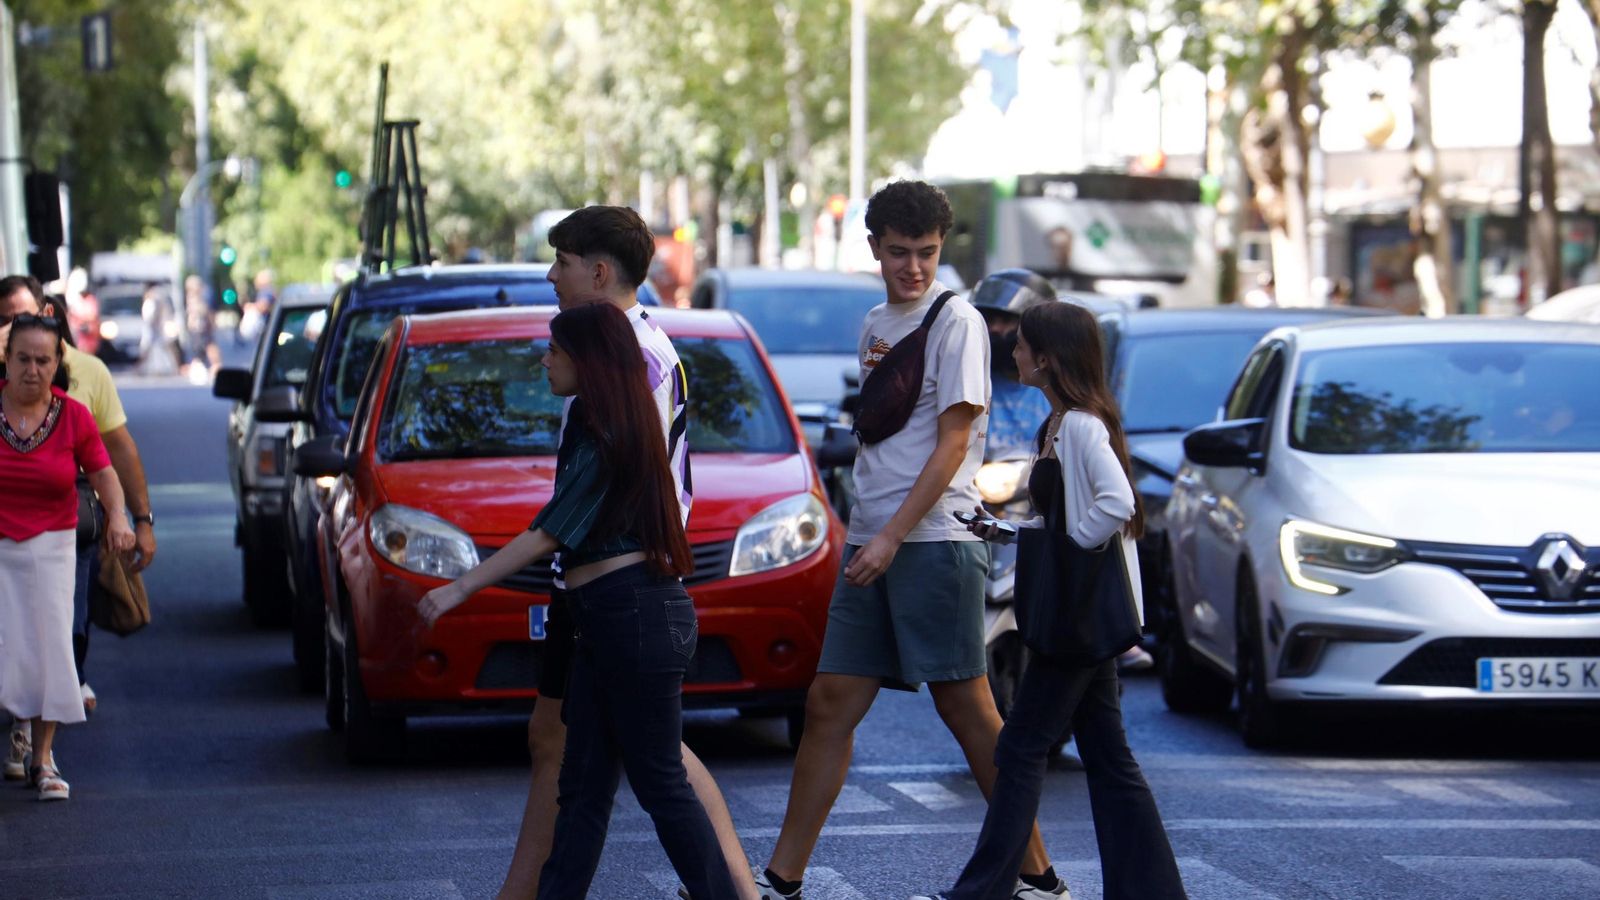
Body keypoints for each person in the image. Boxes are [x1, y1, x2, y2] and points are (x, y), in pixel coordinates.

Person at [758, 182, 1068, 900]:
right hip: (876, 540)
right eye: (899, 253)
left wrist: (892, 536)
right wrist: (870, 533)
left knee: (969, 712)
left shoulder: (954, 320)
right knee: (830, 704)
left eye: (926, 253)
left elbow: (955, 443)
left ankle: (1040, 878)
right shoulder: (875, 321)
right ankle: (781, 880)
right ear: (873, 248)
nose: (914, 268)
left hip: (929, 542)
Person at [470, 206, 755, 900]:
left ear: (598, 273)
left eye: (562, 262)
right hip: (601, 586)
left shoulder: (637, 359)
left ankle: (738, 892)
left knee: (653, 765)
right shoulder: (606, 348)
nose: (550, 275)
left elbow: (626, 487)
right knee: (576, 756)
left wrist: (467, 584)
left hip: (627, 584)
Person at [914, 301, 1187, 900]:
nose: (1013, 352)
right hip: (1078, 611)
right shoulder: (1057, 425)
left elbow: (1116, 504)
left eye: (1022, 345)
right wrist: (1008, 531)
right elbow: (1060, 517)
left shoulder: (1084, 426)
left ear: (1048, 358)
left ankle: (983, 891)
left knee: (1020, 746)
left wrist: (1071, 548)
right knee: (1108, 755)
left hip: (1078, 613)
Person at [1, 278, 157, 727]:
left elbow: (115, 456)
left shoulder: (87, 378)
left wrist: (135, 519)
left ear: (47, 313)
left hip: (69, 521)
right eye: (4, 320)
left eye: (22, 315)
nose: (14, 325)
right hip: (6, 531)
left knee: (63, 629)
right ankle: (24, 721)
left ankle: (44, 734)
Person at [0, 312, 136, 801]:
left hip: (53, 546)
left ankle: (43, 758)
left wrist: (120, 518)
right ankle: (18, 734)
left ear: (57, 362)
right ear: (6, 358)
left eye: (42, 359)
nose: (32, 369)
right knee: (8, 652)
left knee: (51, 649)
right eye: (22, 359)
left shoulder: (73, 415)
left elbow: (103, 474)